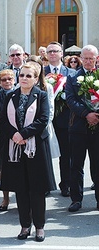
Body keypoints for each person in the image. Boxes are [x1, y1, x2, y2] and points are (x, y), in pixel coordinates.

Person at [0, 62, 56, 242]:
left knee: (37, 190)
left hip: (36, 148)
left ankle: (39, 227)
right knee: (21, 189)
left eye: (28, 76)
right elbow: (3, 121)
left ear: (35, 78)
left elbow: (43, 119)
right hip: (15, 147)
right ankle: (25, 226)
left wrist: (23, 134)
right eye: (22, 75)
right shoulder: (11, 96)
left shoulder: (41, 95)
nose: (24, 78)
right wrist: (15, 135)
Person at [65, 44, 99, 212]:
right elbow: (70, 100)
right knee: (76, 165)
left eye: (90, 58)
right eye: (84, 58)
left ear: (96, 59)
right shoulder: (72, 77)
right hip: (78, 127)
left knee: (97, 164)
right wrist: (87, 114)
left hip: (98, 127)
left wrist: (96, 115)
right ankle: (76, 199)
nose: (87, 61)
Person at [43, 41, 76, 197]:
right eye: (49, 52)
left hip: (64, 120)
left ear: (62, 54)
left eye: (55, 51)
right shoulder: (41, 73)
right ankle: (45, 185)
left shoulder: (70, 73)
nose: (52, 54)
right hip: (45, 121)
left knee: (65, 154)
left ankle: (66, 185)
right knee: (44, 154)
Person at [0, 69, 16, 211]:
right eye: (3, 79)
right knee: (3, 169)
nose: (7, 82)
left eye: (10, 79)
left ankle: (21, 197)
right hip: (2, 138)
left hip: (18, 138)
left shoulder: (20, 94)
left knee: (19, 168)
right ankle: (5, 198)